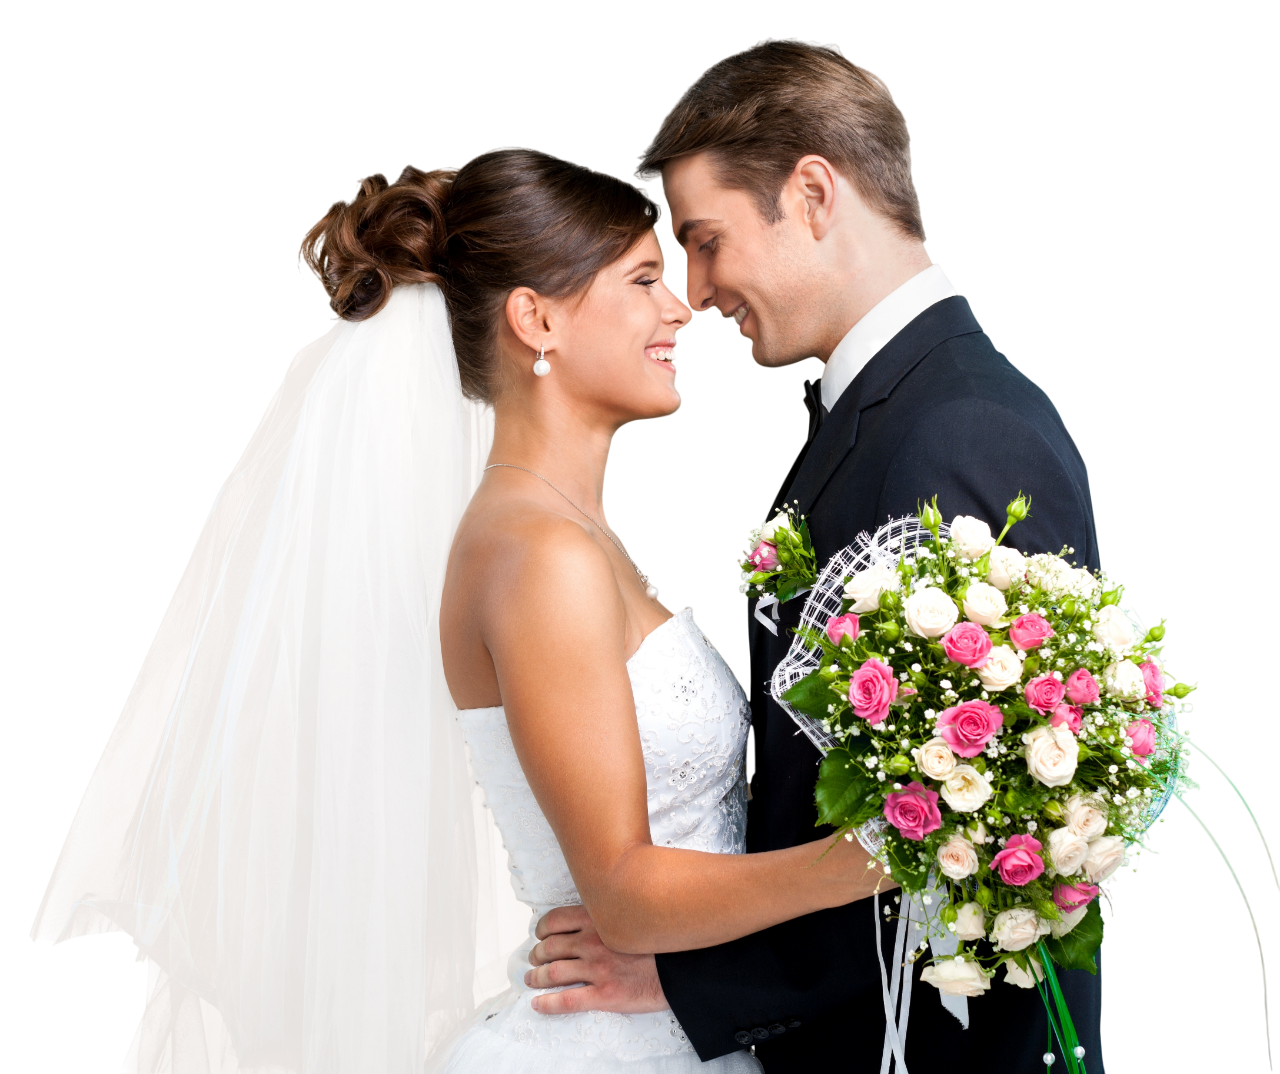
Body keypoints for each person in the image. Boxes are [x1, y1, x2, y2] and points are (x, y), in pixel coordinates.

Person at [31, 145, 892, 1074]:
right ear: (536, 319)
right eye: (644, 278)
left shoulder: (565, 532)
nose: (679, 306)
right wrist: (880, 855)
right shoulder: (538, 555)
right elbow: (626, 894)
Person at [528, 39, 1105, 1072]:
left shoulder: (954, 429)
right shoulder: (896, 410)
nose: (695, 291)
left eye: (704, 241)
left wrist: (694, 979)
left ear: (808, 193)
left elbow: (973, 841)